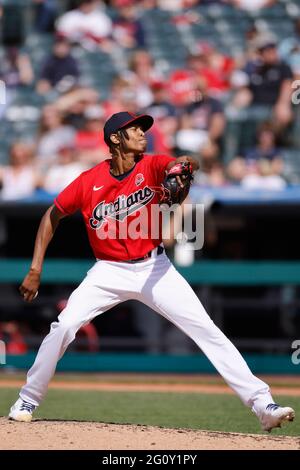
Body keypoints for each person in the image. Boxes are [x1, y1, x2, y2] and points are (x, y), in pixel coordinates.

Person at [9, 112, 295, 432]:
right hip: (109, 271)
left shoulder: (152, 164)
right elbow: (52, 215)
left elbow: (185, 163)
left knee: (206, 330)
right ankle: (27, 398)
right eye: (135, 129)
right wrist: (36, 268)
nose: (143, 133)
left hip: (155, 267)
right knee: (64, 326)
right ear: (115, 138)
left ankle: (263, 404)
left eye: (143, 129)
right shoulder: (89, 181)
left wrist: (183, 167)